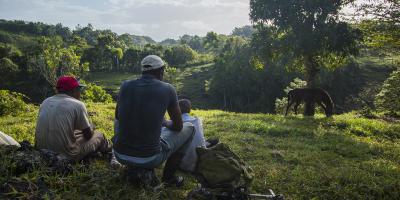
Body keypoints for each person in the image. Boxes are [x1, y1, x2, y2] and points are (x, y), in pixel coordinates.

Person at [113, 55, 195, 187]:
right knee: (190, 128)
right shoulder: (168, 89)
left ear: (143, 70)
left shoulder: (125, 85)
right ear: (161, 70)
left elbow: (118, 116)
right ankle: (169, 178)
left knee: (117, 120)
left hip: (120, 154)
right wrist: (165, 122)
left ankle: (130, 162)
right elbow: (178, 126)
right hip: (149, 158)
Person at [35, 76, 110, 162]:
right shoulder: (78, 104)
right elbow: (88, 135)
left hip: (41, 152)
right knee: (99, 135)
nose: (80, 93)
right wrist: (92, 128)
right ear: (73, 90)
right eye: (79, 90)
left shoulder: (45, 102)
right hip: (66, 156)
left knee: (76, 132)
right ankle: (110, 152)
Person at [178, 99, 206, 172]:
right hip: (202, 161)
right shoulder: (197, 120)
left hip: (184, 165)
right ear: (189, 110)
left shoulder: (176, 123)